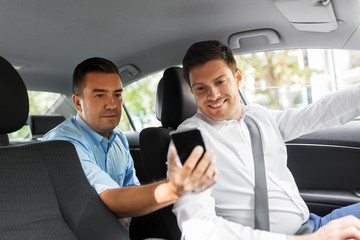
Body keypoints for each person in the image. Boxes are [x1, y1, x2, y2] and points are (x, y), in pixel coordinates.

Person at [172, 40, 360, 240]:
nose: (213, 95)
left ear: (237, 78)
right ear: (192, 91)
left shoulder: (258, 117)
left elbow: (319, 113)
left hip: (313, 225)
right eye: (201, 88)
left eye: (220, 82)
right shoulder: (190, 139)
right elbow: (197, 227)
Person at [42, 57, 218, 238]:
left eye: (117, 94)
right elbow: (110, 198)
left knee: (176, 215)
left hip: (115, 222)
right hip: (79, 230)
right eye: (100, 95)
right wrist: (174, 188)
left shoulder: (118, 138)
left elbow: (130, 188)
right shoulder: (63, 144)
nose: (112, 104)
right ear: (78, 103)